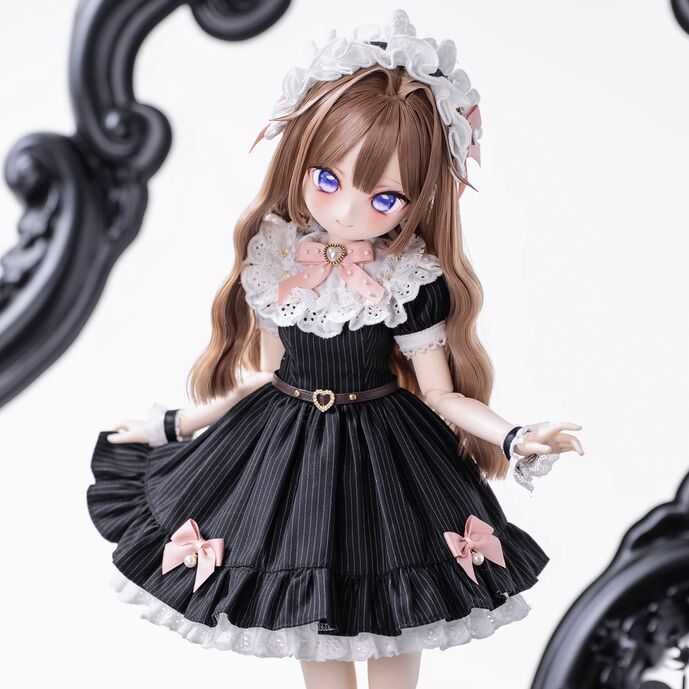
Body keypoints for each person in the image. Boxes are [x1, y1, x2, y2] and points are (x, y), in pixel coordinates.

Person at [86, 10, 584, 689]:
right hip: (286, 456)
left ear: (417, 197)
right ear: (298, 159)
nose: (348, 210)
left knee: (397, 604)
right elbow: (263, 377)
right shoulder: (274, 261)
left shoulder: (408, 278)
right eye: (328, 180)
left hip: (388, 459)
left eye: (384, 196)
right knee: (305, 608)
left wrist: (516, 435)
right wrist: (172, 425)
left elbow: (440, 393)